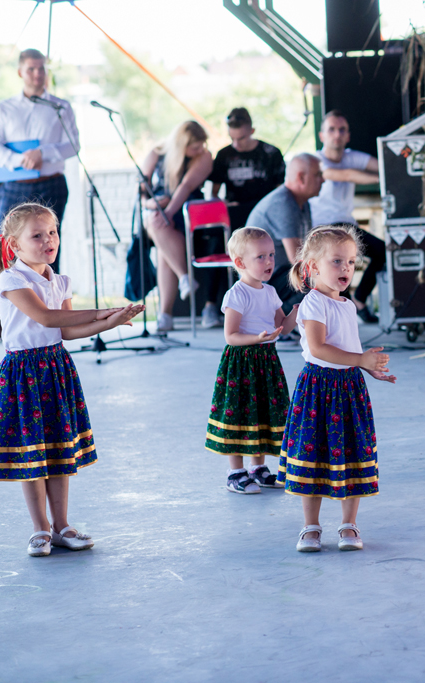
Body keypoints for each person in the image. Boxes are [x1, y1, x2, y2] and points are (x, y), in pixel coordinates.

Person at [0, 203, 143, 556]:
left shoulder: (60, 281)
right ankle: (39, 528)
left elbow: (68, 329)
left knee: (58, 449)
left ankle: (62, 525)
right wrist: (103, 310)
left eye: (52, 233)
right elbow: (46, 317)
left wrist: (112, 321)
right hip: (24, 375)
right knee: (32, 455)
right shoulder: (12, 280)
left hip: (56, 369)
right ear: (14, 244)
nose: (48, 240)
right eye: (37, 235)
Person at [277, 225, 396, 553]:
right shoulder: (313, 303)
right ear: (313, 267)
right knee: (313, 455)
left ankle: (349, 524)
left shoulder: (347, 305)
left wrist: (368, 368)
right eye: (337, 261)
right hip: (318, 388)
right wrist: (359, 358)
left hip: (349, 388)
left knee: (352, 452)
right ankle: (310, 526)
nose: (346, 268)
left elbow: (349, 349)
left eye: (351, 262)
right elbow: (317, 348)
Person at [205, 227, 298, 494]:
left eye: (271, 255)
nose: (269, 261)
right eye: (261, 257)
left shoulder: (269, 292)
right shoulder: (237, 294)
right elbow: (231, 336)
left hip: (267, 360)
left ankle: (259, 468)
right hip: (242, 361)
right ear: (240, 263)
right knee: (241, 412)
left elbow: (282, 325)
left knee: (264, 412)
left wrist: (296, 312)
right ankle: (235, 472)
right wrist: (256, 338)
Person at [0, 49, 78, 288]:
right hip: (15, 184)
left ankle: (52, 308)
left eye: (41, 68)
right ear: (20, 72)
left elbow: (74, 145)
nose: (37, 74)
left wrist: (43, 153)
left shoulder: (61, 106)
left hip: (51, 183)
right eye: (31, 69)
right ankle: (3, 315)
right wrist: (18, 159)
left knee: (49, 247)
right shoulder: (4, 108)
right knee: (5, 245)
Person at [205, 107, 285, 329]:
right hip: (233, 217)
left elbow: (280, 193)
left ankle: (272, 305)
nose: (237, 144)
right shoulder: (224, 155)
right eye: (233, 138)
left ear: (252, 130)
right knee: (216, 243)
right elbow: (213, 193)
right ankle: (211, 304)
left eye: (241, 138)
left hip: (264, 217)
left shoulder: (271, 153)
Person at [309, 111, 384, 324]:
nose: (337, 134)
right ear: (322, 135)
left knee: (382, 252)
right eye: (331, 129)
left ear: (348, 136)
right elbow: (346, 175)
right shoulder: (316, 160)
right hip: (322, 230)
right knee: (336, 267)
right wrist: (383, 178)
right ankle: (346, 308)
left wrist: (390, 172)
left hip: (346, 227)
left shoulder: (352, 156)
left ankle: (359, 300)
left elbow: (383, 164)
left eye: (342, 130)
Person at [141, 121, 213, 333]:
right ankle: (184, 278)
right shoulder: (157, 153)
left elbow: (186, 186)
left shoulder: (203, 156)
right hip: (158, 211)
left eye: (201, 145)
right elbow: (141, 188)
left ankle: (166, 314)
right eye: (194, 147)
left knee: (163, 248)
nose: (199, 150)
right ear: (181, 144)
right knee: (154, 223)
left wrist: (169, 212)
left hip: (186, 212)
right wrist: (151, 204)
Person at [246, 153, 323, 314]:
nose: (323, 180)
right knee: (321, 279)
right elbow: (297, 259)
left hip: (278, 274)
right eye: (318, 175)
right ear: (301, 178)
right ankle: (278, 323)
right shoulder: (283, 203)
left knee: (330, 273)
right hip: (262, 282)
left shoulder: (302, 202)